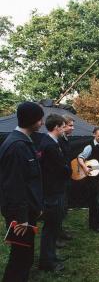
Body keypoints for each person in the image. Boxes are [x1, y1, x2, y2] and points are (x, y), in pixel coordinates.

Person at [0, 101, 44, 282]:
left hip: (25, 211)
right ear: (33, 120)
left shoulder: (22, 142)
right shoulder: (17, 146)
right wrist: (22, 219)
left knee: (23, 257)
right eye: (40, 118)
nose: (42, 122)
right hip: (20, 216)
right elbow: (14, 186)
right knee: (21, 259)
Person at [38, 114, 70, 272]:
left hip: (54, 190)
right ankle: (47, 262)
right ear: (57, 127)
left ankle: (51, 256)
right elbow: (60, 168)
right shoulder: (49, 145)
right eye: (64, 126)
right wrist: (68, 169)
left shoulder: (50, 141)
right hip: (52, 193)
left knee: (53, 227)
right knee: (50, 229)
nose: (65, 129)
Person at [78, 126, 99, 232]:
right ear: (94, 135)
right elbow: (80, 158)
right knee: (94, 201)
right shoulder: (89, 146)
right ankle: (94, 225)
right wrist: (84, 167)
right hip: (93, 178)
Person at [56, 115, 75, 246]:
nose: (72, 128)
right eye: (70, 125)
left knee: (63, 207)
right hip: (59, 180)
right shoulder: (57, 140)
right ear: (63, 126)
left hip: (66, 178)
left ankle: (60, 230)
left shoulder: (66, 139)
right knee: (58, 208)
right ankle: (55, 237)